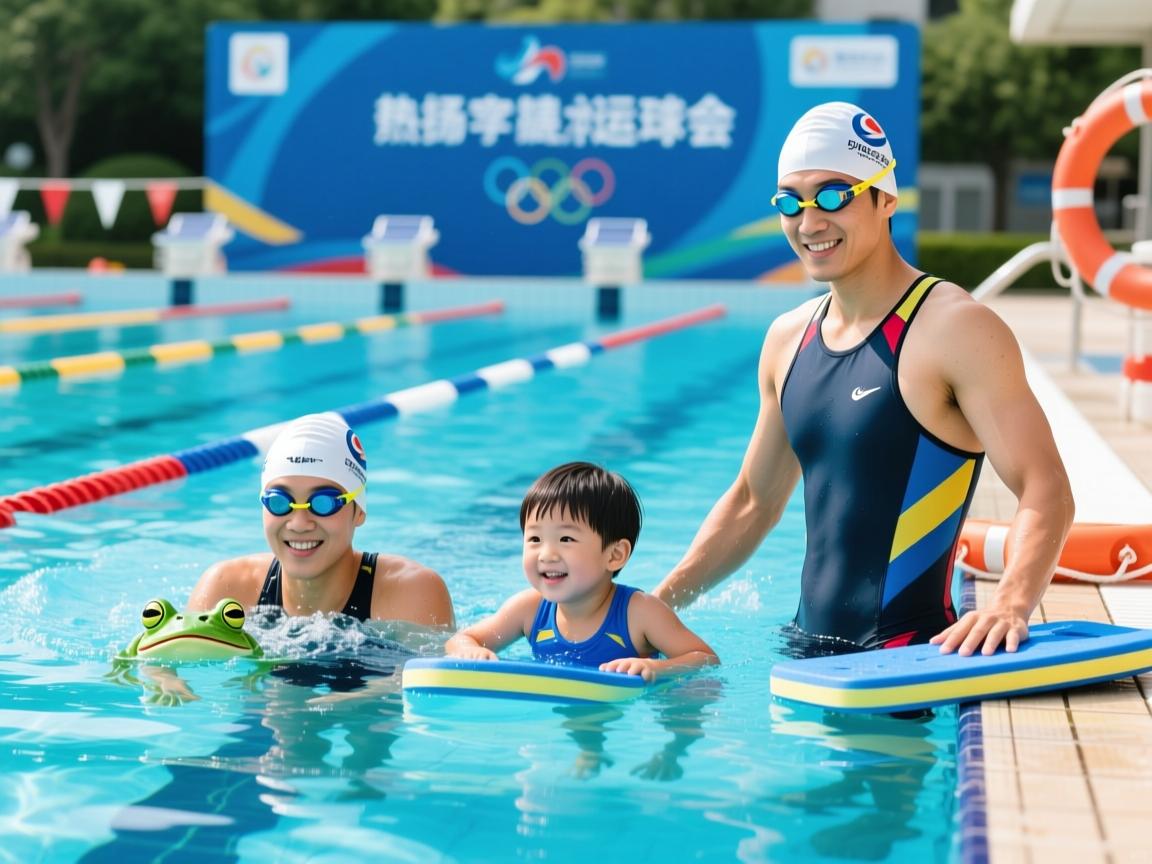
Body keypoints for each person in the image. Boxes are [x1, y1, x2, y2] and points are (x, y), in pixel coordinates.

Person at [653, 101, 1074, 657]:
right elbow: (754, 501)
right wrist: (655, 609)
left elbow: (1046, 487)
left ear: (887, 198)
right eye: (790, 202)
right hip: (802, 654)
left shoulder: (954, 328)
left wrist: (1010, 602)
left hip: (905, 662)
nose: (810, 223)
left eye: (833, 195)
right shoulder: (788, 338)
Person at [445, 461, 718, 681]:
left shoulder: (639, 613)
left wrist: (656, 669)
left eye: (566, 539)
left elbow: (704, 658)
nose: (547, 554)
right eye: (534, 539)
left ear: (614, 555)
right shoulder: (529, 609)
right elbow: (463, 638)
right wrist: (470, 652)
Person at [188, 412, 455, 628]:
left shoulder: (411, 594)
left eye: (323, 503)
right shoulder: (225, 590)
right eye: (280, 501)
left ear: (359, 510)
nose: (299, 523)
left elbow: (429, 685)